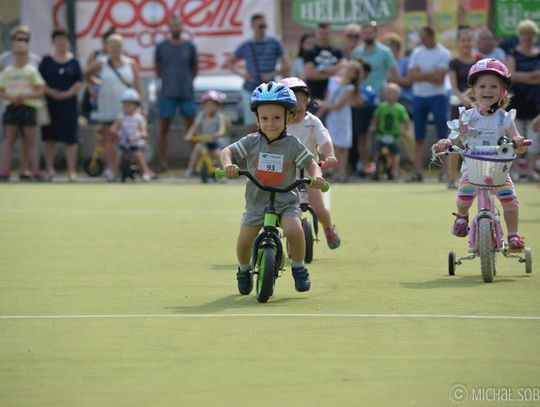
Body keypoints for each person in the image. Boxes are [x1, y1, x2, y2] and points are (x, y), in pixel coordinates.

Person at [220, 81, 325, 294]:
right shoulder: (251, 142)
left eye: (277, 118)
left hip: (286, 201)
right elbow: (226, 152)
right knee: (243, 242)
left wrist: (317, 176)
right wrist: (228, 165)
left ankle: (299, 267)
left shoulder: (292, 144)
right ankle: (243, 269)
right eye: (264, 118)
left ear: (289, 118)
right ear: (257, 119)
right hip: (256, 203)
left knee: (295, 231)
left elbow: (311, 163)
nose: (270, 123)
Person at [433, 58, 527, 250]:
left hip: (499, 170)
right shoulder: (467, 117)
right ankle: (462, 216)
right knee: (463, 196)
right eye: (482, 86)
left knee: (510, 200)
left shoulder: (505, 118)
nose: (487, 90)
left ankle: (513, 235)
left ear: (502, 91)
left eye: (494, 86)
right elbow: (455, 140)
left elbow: (519, 143)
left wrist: (518, 142)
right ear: (473, 90)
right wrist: (445, 143)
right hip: (473, 169)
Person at [280, 76, 340, 248]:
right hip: (284, 176)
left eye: (299, 110)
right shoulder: (279, 124)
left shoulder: (313, 122)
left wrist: (329, 156)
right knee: (276, 207)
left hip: (309, 174)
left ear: (307, 103)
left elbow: (325, 140)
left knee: (319, 208)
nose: (295, 115)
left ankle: (328, 228)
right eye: (291, 111)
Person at [85, 33, 147, 181]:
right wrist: (93, 88)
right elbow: (87, 74)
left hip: (127, 110)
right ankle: (113, 170)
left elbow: (138, 87)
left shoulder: (130, 64)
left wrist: (143, 107)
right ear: (107, 47)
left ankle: (133, 169)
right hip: (107, 107)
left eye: (118, 46)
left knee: (129, 141)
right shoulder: (102, 62)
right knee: (109, 139)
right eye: (112, 46)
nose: (115, 49)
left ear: (122, 47)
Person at [226, 14, 290, 130]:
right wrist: (242, 74)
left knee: (271, 122)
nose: (262, 28)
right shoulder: (246, 45)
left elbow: (287, 64)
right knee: (252, 124)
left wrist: (271, 74)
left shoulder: (275, 42)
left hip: (269, 90)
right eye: (260, 26)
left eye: (264, 25)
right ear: (253, 26)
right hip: (250, 89)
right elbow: (230, 62)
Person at [154, 15, 198, 172]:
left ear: (182, 26)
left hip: (186, 94)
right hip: (167, 94)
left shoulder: (190, 47)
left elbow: (194, 70)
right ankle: (162, 163)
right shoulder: (161, 47)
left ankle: (194, 164)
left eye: (177, 25)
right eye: (172, 25)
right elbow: (158, 69)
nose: (175, 28)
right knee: (163, 129)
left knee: (192, 129)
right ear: (168, 27)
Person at [406, 26, 450, 182]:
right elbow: (411, 76)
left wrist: (421, 74)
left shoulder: (443, 53)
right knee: (418, 136)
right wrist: (431, 73)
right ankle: (417, 171)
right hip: (419, 96)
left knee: (442, 135)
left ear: (432, 37)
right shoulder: (417, 52)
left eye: (424, 37)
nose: (421, 40)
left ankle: (445, 171)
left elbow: (440, 79)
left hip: (439, 96)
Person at [39, 27, 82, 182]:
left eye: (64, 39)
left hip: (69, 104)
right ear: (53, 41)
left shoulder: (74, 62)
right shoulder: (46, 61)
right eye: (58, 39)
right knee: (49, 138)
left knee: (70, 139)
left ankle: (71, 171)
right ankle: (49, 169)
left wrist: (67, 93)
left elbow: (78, 82)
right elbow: (39, 82)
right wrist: (51, 92)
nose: (61, 43)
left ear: (68, 42)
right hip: (50, 103)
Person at [0, 25, 42, 181]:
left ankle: (30, 171)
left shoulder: (33, 66)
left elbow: (40, 88)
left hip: (29, 107)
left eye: (25, 40)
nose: (20, 56)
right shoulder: (6, 65)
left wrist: (24, 96)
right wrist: (12, 98)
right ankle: (4, 171)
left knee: (29, 141)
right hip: (10, 107)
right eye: (17, 53)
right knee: (7, 140)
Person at [314, 60, 362, 182]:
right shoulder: (333, 81)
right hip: (332, 118)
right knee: (332, 144)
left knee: (343, 146)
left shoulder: (350, 88)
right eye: (348, 68)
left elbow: (338, 106)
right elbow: (329, 99)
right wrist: (318, 116)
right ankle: (332, 171)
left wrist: (322, 103)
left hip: (343, 118)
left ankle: (341, 173)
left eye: (353, 71)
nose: (349, 72)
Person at [506, 19, 540, 182]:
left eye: (531, 33)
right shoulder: (513, 54)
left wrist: (522, 77)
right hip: (517, 100)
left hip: (536, 101)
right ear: (519, 35)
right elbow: (511, 76)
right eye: (525, 33)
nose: (528, 36)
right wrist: (534, 76)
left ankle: (531, 171)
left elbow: (519, 76)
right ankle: (517, 170)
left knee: (535, 137)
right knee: (516, 136)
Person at [447, 26, 479, 188]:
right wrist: (464, 99)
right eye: (463, 40)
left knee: (475, 143)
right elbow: (453, 88)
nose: (466, 43)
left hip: (476, 106)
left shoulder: (478, 61)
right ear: (458, 43)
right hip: (458, 106)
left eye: (469, 40)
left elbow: (479, 84)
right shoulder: (454, 62)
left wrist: (473, 99)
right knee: (454, 142)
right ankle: (451, 178)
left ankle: (474, 178)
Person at [368, 83, 410, 180]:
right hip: (382, 135)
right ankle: (376, 171)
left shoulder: (400, 108)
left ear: (397, 95)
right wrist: (373, 125)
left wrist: (405, 131)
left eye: (393, 93)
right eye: (388, 93)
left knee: (395, 154)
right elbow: (376, 117)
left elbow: (406, 120)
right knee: (378, 152)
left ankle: (394, 171)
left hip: (394, 136)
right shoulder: (382, 107)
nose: (391, 96)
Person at [111, 89, 154, 182]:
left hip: (135, 143)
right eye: (125, 104)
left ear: (136, 105)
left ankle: (145, 173)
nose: (127, 107)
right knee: (118, 155)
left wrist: (140, 135)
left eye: (130, 105)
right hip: (124, 143)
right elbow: (114, 128)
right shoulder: (121, 117)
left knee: (138, 155)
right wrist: (118, 133)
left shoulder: (139, 118)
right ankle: (114, 174)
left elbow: (144, 132)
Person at [184, 90, 227, 178]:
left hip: (214, 142)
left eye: (212, 105)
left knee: (219, 154)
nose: (209, 107)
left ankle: (222, 174)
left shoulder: (219, 116)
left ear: (217, 106)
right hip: (203, 141)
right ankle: (190, 169)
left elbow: (222, 129)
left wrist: (219, 133)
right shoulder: (202, 115)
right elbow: (194, 126)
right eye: (207, 105)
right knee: (197, 149)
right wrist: (189, 134)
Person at [303, 22, 345, 107]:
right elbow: (310, 75)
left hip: (334, 96)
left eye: (326, 33)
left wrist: (323, 71)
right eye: (320, 33)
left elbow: (343, 70)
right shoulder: (309, 52)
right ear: (316, 34)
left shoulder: (338, 52)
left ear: (330, 34)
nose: (323, 36)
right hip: (315, 95)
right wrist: (333, 72)